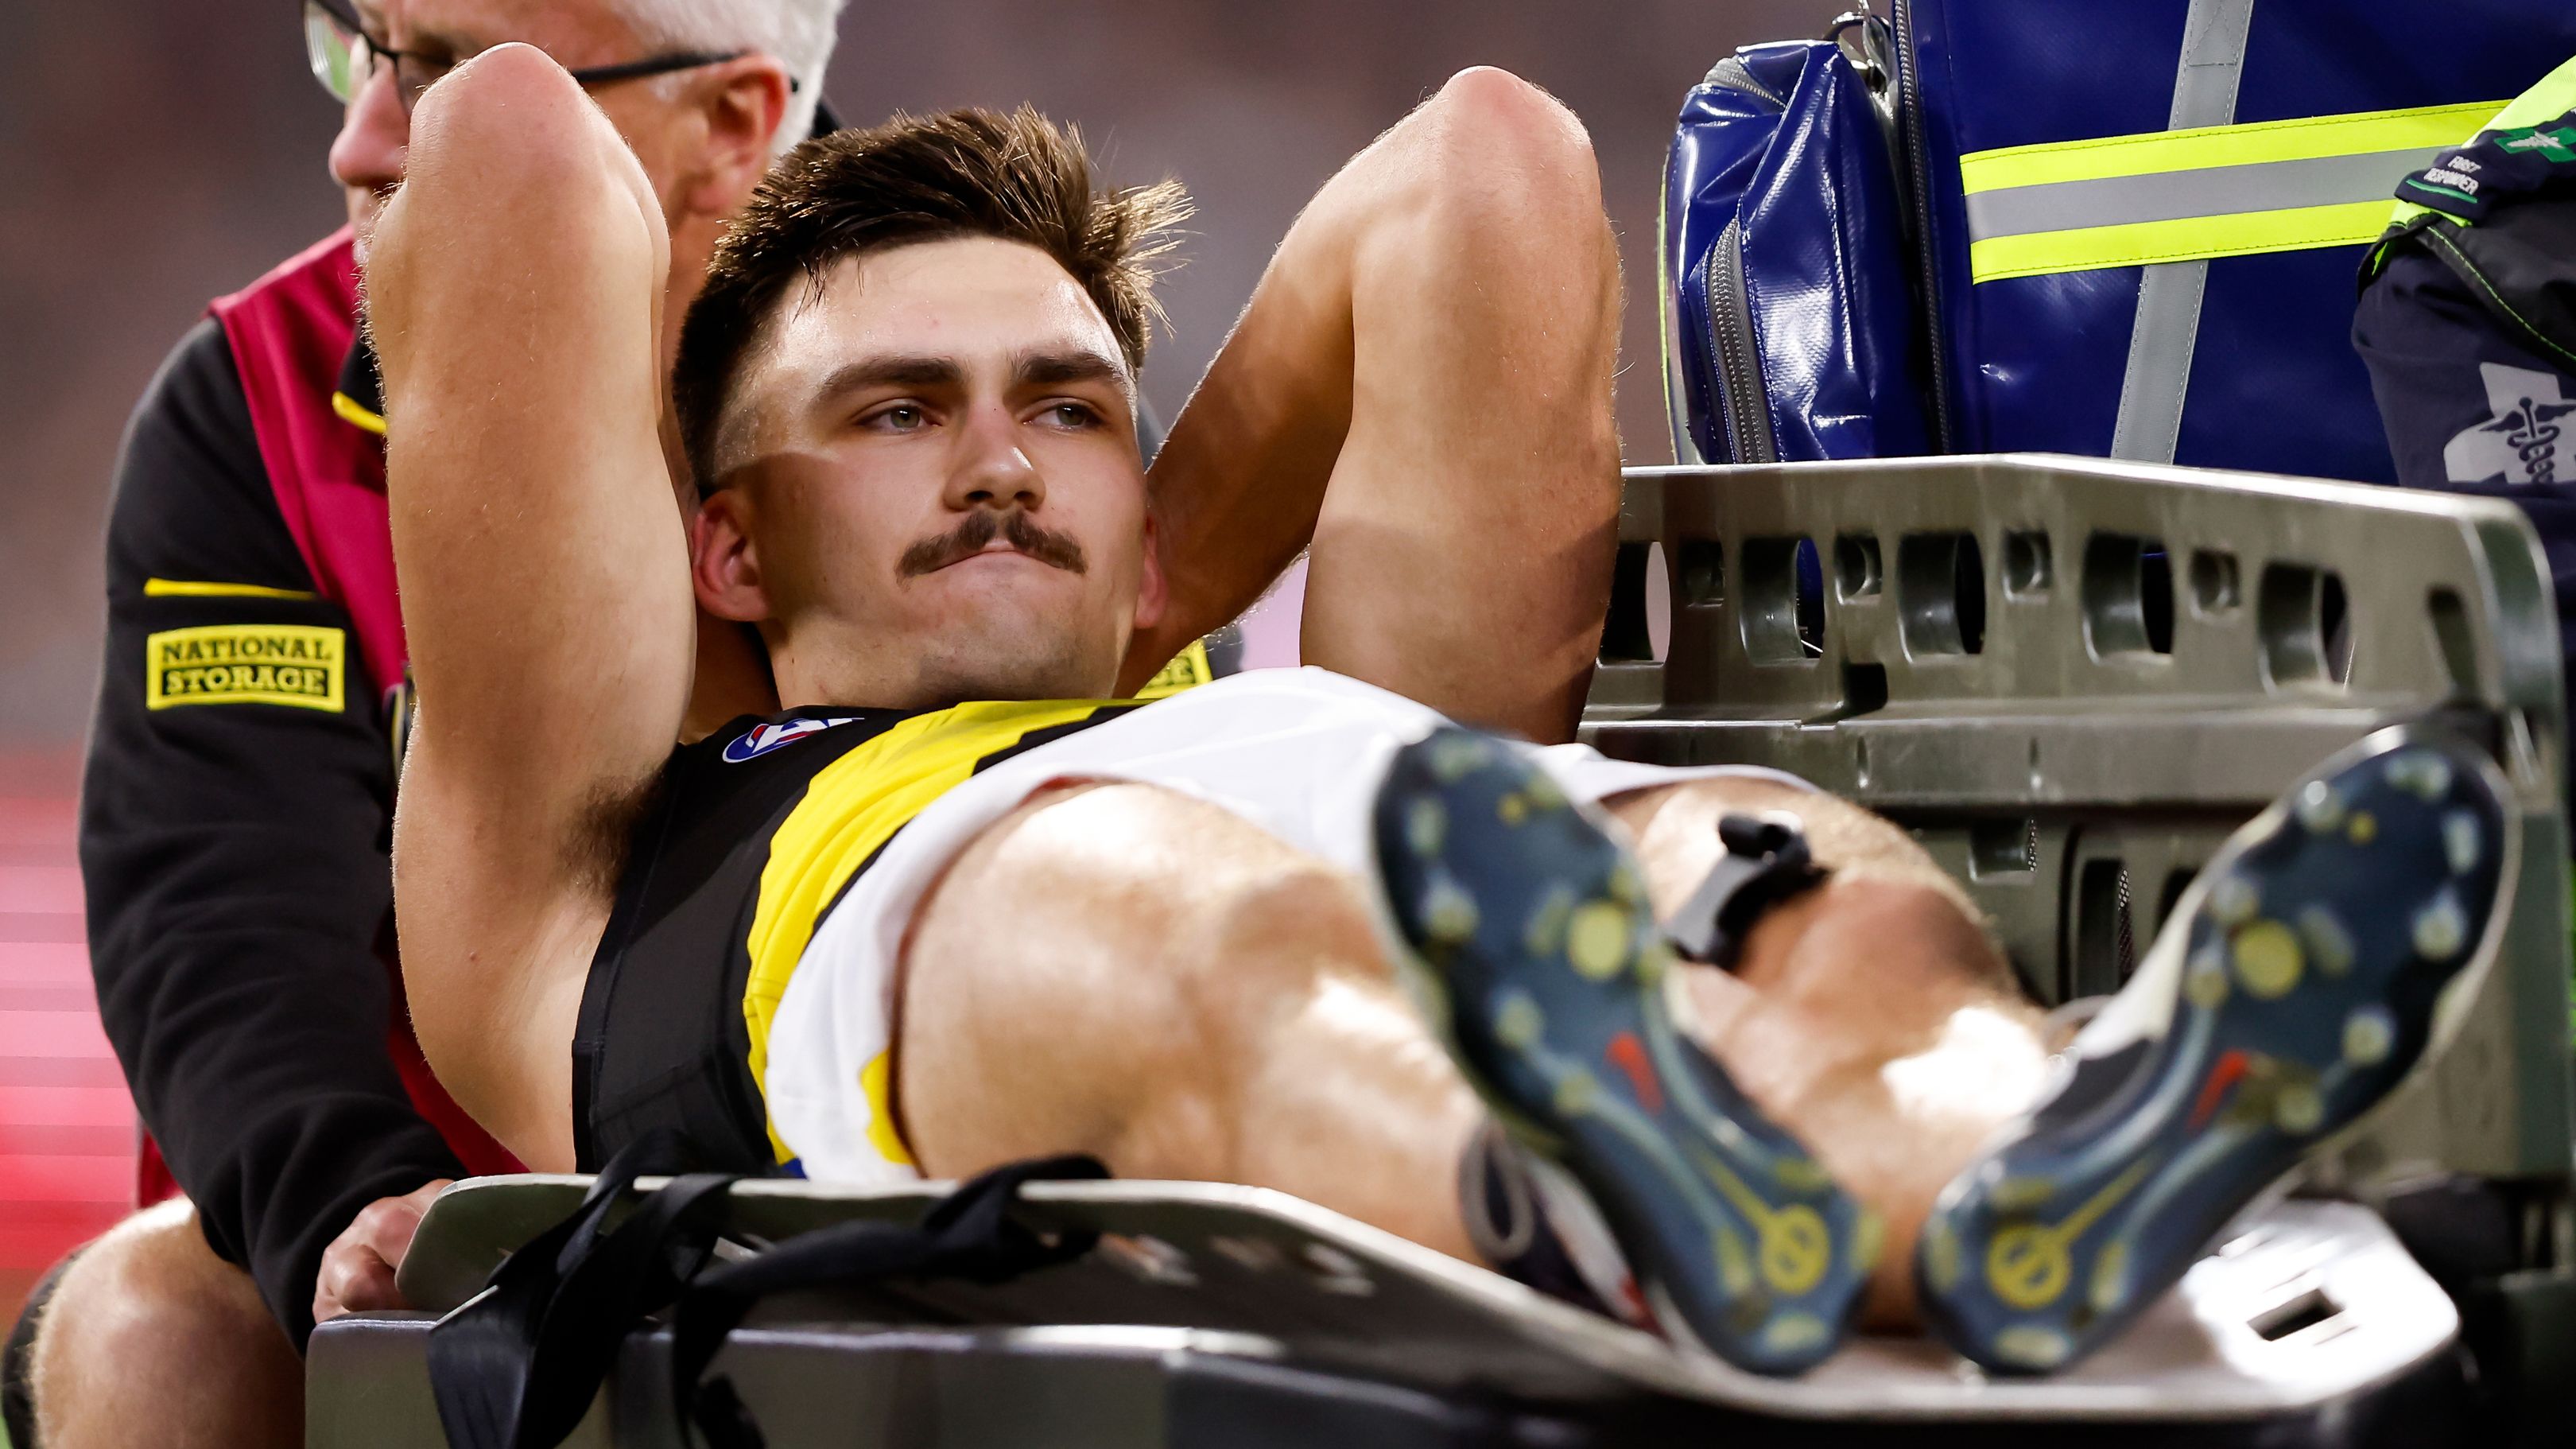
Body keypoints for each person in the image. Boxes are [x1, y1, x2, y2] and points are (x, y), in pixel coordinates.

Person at [370, 49, 2516, 1378]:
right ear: (726, 548)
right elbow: (504, 150)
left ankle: (2012, 1156)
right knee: (1217, 925)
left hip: (1473, 889)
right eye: (898, 411)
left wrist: (1131, 588)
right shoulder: (574, 867)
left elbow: (1476, 170)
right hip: (993, 938)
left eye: (1066, 407)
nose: (1003, 455)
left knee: (1786, 875)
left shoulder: (1332, 710)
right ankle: (1591, 1182)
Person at [2, 5, 844, 1448]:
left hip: (846, 1194)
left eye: (457, 83)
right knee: (151, 1333)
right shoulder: (256, 405)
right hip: (422, 1209)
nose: (359, 141)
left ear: (732, 125)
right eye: (358, 46)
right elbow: (222, 915)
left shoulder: (981, 380)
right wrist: (362, 1211)